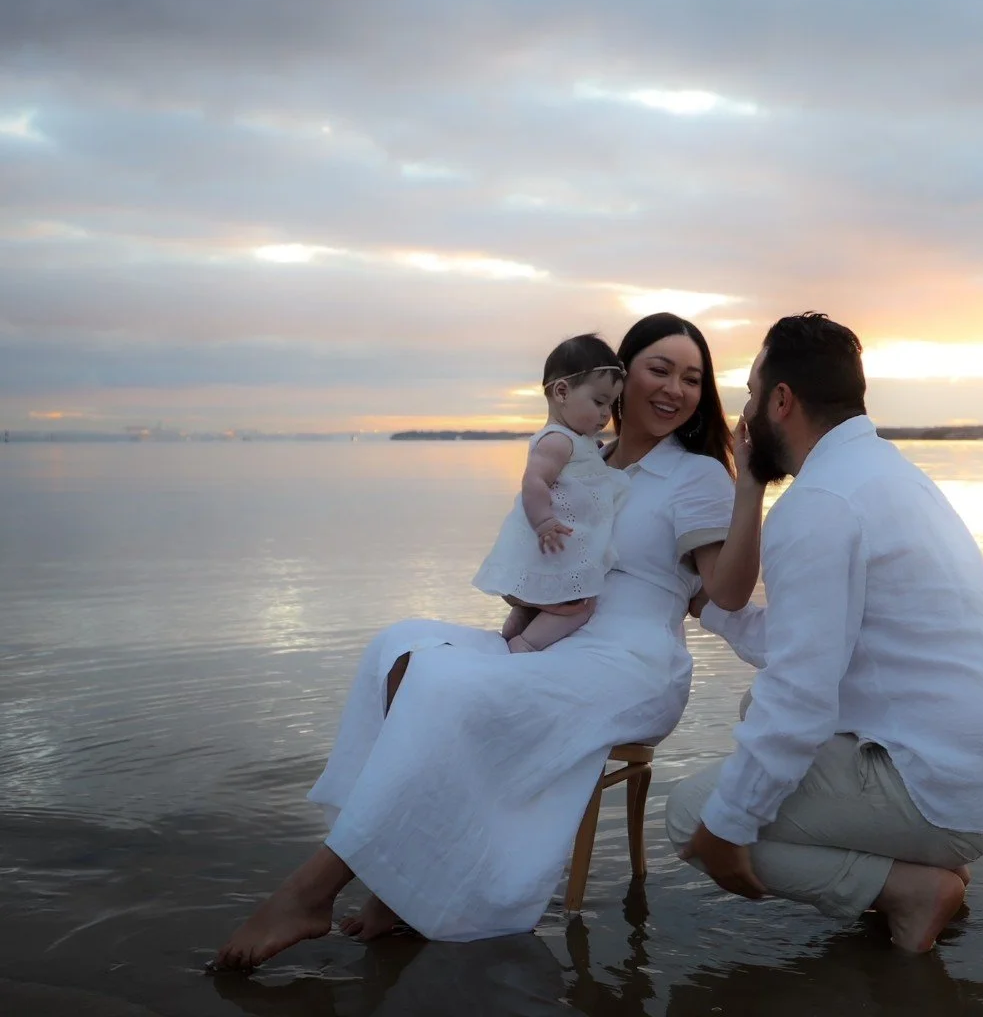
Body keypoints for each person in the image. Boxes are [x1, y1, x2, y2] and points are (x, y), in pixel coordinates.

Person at [212, 312, 768, 969]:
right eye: (660, 369)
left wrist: (752, 488)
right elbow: (543, 552)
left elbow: (721, 596)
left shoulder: (697, 477)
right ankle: (399, 889)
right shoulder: (584, 456)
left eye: (693, 378)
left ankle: (312, 890)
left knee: (451, 691)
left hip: (631, 662)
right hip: (553, 634)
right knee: (403, 651)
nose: (676, 388)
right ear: (620, 378)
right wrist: (527, 593)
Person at [665, 313, 983, 953]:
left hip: (941, 790)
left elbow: (801, 694)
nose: (745, 415)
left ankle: (911, 891)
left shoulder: (820, 505)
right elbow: (806, 646)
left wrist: (727, 828)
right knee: (754, 713)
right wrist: (706, 604)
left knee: (692, 815)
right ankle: (921, 870)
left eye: (753, 396)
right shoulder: (886, 475)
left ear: (781, 401)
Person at [473, 333, 629, 652]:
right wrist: (543, 521)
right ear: (562, 392)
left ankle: (516, 627)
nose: (606, 415)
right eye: (599, 402)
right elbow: (533, 481)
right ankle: (527, 645)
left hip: (555, 549)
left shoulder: (576, 441)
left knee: (541, 603)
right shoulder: (556, 441)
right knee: (579, 608)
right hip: (552, 544)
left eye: (611, 405)